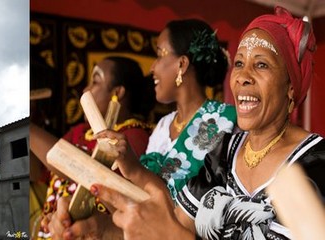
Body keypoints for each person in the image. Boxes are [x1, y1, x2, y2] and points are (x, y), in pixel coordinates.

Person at [93, 6, 325, 240]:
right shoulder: (224, 152)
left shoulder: (315, 162)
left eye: (261, 64)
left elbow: (173, 235)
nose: (243, 77)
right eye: (239, 63)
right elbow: (172, 225)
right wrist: (97, 229)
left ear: (290, 88)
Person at [47, 19, 238, 239]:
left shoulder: (226, 122)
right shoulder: (163, 127)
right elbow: (138, 210)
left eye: (159, 55)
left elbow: (187, 216)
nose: (152, 67)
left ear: (182, 65)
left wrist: (134, 169)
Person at [30, 56, 155, 239]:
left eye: (95, 81)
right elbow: (39, 170)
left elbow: (82, 168)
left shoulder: (134, 135)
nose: (86, 89)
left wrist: (27, 127)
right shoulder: (80, 131)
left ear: (117, 92)